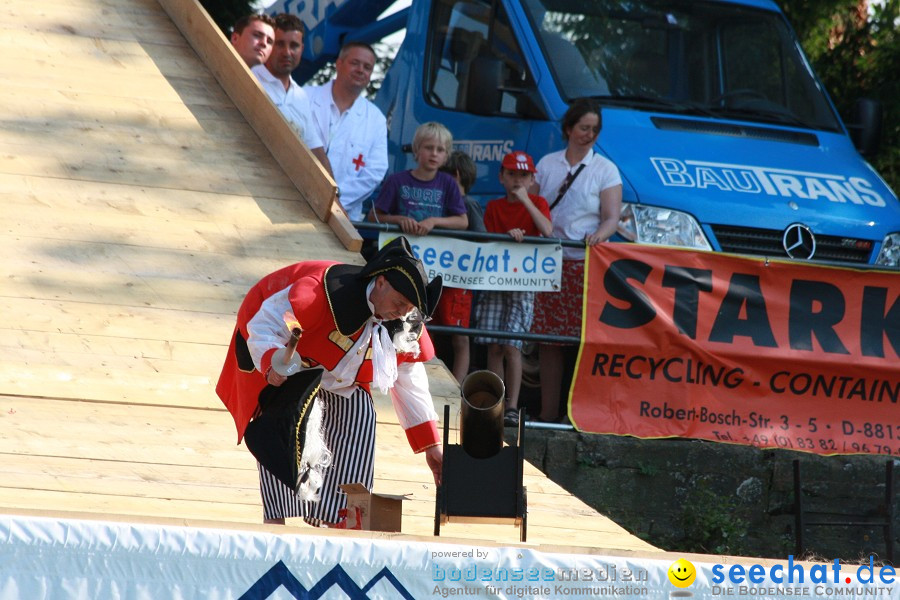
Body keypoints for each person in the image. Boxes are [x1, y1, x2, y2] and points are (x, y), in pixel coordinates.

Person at [216, 237, 444, 526]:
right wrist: (271, 362)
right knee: (279, 429)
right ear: (382, 282)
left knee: (362, 415)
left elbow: (408, 374)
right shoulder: (316, 293)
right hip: (290, 363)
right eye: (399, 303)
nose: (401, 313)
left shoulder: (405, 320)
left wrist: (430, 444)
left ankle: (343, 520)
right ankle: (275, 528)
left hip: (342, 378)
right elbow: (264, 325)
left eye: (408, 308)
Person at [531, 98, 623, 423]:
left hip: (585, 263)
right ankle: (548, 411)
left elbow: (612, 217)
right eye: (584, 128)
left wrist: (600, 234)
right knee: (546, 339)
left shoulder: (605, 169)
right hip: (547, 261)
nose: (589, 134)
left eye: (594, 129)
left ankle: (582, 413)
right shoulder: (546, 164)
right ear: (569, 128)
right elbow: (530, 205)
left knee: (586, 341)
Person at [474, 151, 552, 426]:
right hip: (497, 278)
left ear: (532, 179)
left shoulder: (538, 202)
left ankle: (512, 405)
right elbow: (488, 238)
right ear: (501, 177)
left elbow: (548, 231)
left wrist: (525, 201)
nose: (517, 180)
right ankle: (495, 400)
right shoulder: (494, 206)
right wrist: (506, 237)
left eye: (523, 175)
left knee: (512, 344)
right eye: (511, 174)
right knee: (494, 344)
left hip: (524, 281)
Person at [304, 42, 388, 221]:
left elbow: (375, 171)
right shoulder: (305, 97)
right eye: (355, 63)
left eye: (367, 67)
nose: (361, 70)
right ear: (339, 64)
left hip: (343, 217)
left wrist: (335, 200)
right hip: (297, 200)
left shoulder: (375, 119)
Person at [251, 14, 333, 175]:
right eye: (280, 44)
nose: (287, 52)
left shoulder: (301, 96)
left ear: (302, 49)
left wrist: (334, 195)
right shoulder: (249, 76)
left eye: (294, 45)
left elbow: (315, 150)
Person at [436, 150, 483, 383]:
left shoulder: (468, 204)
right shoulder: (443, 203)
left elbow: (481, 239)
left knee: (459, 335)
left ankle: (457, 384)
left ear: (454, 175)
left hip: (460, 280)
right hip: (441, 278)